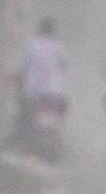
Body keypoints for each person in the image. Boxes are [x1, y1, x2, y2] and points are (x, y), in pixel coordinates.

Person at [11, 17, 68, 153]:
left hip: (33, 92)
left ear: (39, 29)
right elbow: (64, 65)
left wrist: (18, 82)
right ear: (54, 30)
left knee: (23, 116)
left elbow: (20, 69)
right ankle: (55, 133)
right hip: (54, 93)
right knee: (62, 109)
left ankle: (22, 138)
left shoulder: (30, 45)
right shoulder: (59, 46)